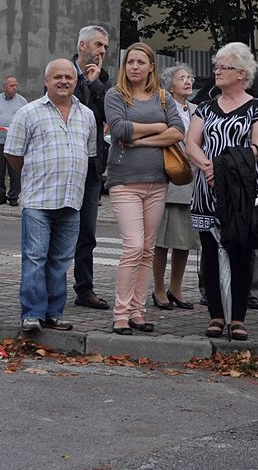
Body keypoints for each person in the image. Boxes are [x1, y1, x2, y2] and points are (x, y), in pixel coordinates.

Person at [187, 43, 258, 341]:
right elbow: (191, 143)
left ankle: (238, 318)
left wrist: (225, 170)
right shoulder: (206, 107)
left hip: (243, 191)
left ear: (242, 73)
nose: (217, 71)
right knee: (210, 254)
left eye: (224, 67)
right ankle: (215, 315)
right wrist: (209, 168)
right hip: (207, 189)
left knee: (242, 252)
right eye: (217, 66)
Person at [4, 59, 96, 332]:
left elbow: (88, 154)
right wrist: (36, 174)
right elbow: (13, 154)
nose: (64, 81)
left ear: (76, 81)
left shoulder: (87, 115)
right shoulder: (28, 113)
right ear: (46, 81)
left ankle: (54, 313)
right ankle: (32, 314)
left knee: (60, 262)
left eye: (69, 77)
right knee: (35, 259)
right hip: (38, 201)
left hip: (71, 200)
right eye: (58, 77)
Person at [105, 42, 184, 335]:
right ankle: (121, 314)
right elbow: (119, 129)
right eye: (130, 62)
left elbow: (178, 131)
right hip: (124, 181)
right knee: (134, 246)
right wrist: (157, 128)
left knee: (148, 250)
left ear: (152, 67)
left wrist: (140, 139)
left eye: (140, 62)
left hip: (157, 181)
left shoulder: (163, 97)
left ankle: (137, 312)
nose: (134, 67)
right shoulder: (115, 95)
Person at [152, 64, 200, 311]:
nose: (188, 81)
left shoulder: (197, 110)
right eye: (182, 78)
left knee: (185, 241)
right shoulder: (161, 108)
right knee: (161, 241)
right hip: (169, 180)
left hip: (192, 182)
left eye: (189, 78)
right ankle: (158, 288)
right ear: (170, 86)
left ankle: (176, 287)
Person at [71, 24, 113, 310]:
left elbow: (108, 114)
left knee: (87, 233)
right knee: (59, 230)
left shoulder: (104, 79)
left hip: (92, 166)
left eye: (106, 47)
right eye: (98, 45)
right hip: (65, 164)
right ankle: (49, 288)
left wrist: (96, 83)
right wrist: (84, 82)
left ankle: (84, 289)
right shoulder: (63, 73)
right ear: (82, 46)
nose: (102, 51)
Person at [0, 75, 27, 206]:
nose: (14, 88)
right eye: (11, 85)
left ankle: (13, 197)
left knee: (15, 171)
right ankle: (0, 196)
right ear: (4, 87)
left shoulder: (22, 101)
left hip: (16, 143)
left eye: (16, 85)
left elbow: (27, 120)